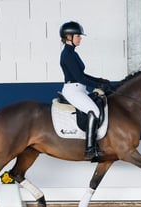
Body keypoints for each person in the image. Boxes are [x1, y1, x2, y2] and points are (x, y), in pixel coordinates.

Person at [59, 21, 111, 161]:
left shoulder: (73, 53)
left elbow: (82, 74)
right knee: (94, 111)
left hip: (80, 89)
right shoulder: (67, 55)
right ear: (68, 36)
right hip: (73, 90)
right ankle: (89, 149)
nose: (80, 38)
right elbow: (79, 77)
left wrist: (100, 81)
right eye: (78, 36)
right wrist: (98, 85)